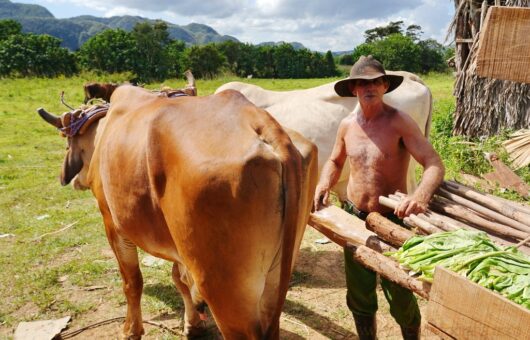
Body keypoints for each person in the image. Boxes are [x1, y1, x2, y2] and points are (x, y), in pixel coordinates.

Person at [313, 55, 445, 340]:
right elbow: (335, 161)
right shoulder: (347, 125)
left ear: (385, 85)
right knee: (359, 295)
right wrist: (324, 183)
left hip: (391, 220)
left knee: (400, 291)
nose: (368, 87)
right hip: (354, 218)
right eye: (361, 83)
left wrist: (420, 196)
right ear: (353, 89)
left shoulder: (399, 122)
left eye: (375, 82)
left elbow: (434, 162)